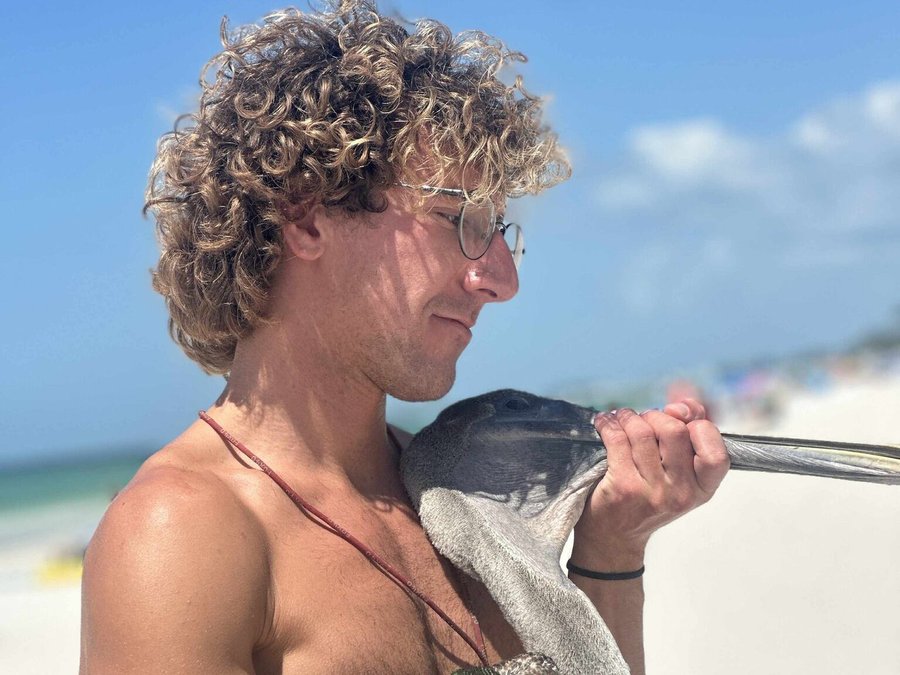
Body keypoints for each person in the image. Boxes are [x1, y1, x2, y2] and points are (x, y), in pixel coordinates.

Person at [80, 2, 730, 673]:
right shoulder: (183, 536)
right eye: (458, 216)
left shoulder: (454, 496)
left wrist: (612, 551)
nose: (501, 279)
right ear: (306, 218)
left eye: (500, 229)